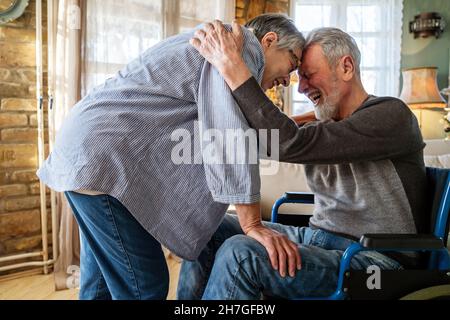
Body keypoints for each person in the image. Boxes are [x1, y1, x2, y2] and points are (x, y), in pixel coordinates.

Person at [36, 14, 305, 300]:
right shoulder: (238, 49)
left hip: (86, 149)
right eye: (293, 63)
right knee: (145, 286)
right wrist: (252, 225)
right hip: (103, 160)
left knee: (99, 283)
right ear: (270, 41)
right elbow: (228, 136)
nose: (289, 80)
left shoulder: (223, 42)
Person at [177, 22, 427, 300]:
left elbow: (288, 141)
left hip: (377, 260)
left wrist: (235, 69)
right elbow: (259, 140)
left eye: (308, 76)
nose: (301, 89)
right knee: (206, 228)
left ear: (346, 67)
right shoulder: (325, 126)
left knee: (241, 255)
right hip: (321, 241)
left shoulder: (391, 116)